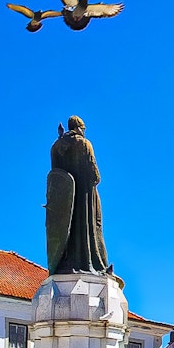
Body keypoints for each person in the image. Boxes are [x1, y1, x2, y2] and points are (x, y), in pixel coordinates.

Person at [47, 116, 112, 276]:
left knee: (68, 228)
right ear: (79, 128)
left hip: (64, 202)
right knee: (89, 228)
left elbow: (56, 177)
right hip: (86, 196)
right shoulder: (85, 144)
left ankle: (65, 262)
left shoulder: (56, 147)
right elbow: (95, 176)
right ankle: (93, 264)